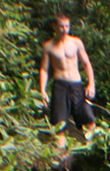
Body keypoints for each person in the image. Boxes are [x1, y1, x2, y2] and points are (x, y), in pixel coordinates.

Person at [38, 14, 96, 150]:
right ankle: (60, 155)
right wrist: (42, 90)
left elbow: (86, 63)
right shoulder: (48, 46)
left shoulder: (76, 42)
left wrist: (91, 83)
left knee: (89, 119)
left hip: (76, 84)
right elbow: (44, 69)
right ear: (54, 27)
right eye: (61, 26)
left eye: (67, 26)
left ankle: (90, 148)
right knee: (60, 125)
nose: (65, 30)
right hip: (60, 85)